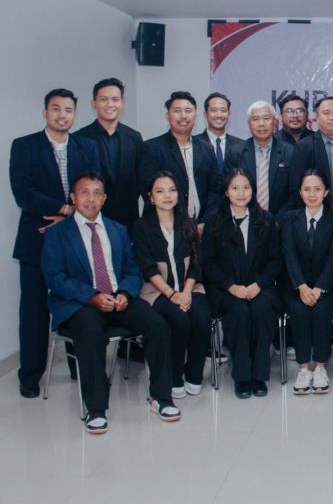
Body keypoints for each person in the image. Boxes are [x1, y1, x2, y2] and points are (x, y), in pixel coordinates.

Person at [41, 173, 179, 433]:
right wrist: (92, 296)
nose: (91, 199)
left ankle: (162, 397)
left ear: (104, 198)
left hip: (119, 299)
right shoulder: (58, 233)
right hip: (80, 304)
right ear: (73, 197)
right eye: (84, 192)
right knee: (91, 331)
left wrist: (125, 294)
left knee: (157, 324)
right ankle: (96, 409)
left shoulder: (117, 229)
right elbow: (56, 278)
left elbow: (131, 269)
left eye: (97, 193)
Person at [10, 88, 100, 398]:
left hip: (76, 240)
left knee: (78, 305)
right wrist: (64, 209)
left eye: (68, 110)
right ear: (45, 112)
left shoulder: (85, 147)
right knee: (33, 311)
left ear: (76, 114)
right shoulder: (24, 147)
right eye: (56, 109)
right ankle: (30, 376)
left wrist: (71, 217)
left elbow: (92, 189)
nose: (62, 115)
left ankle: (80, 368)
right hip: (37, 238)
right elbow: (24, 193)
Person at [201, 169, 282, 399]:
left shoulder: (265, 220)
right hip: (226, 289)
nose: (241, 193)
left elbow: (276, 261)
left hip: (260, 287)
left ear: (253, 190)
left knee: (261, 310)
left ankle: (259, 376)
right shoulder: (215, 222)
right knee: (239, 313)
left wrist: (259, 284)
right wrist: (230, 286)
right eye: (235, 188)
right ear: (226, 192)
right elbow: (209, 263)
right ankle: (242, 377)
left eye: (246, 187)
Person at [131, 171, 211, 398]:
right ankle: (174, 376)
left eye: (172, 190)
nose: (167, 195)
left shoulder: (188, 224)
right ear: (150, 197)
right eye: (160, 191)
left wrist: (185, 293)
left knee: (202, 316)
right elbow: (147, 268)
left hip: (190, 288)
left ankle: (194, 373)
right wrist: (171, 294)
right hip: (157, 291)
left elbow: (197, 263)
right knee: (178, 319)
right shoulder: (142, 227)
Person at [281, 169, 333, 395]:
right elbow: (288, 254)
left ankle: (320, 366)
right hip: (296, 286)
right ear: (300, 192)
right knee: (299, 312)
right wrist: (301, 286)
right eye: (307, 189)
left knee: (320, 312)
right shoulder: (290, 219)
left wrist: (318, 288)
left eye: (317, 189)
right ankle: (303, 368)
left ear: (326, 191)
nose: (312, 194)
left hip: (328, 287)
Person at [140, 91, 223, 224]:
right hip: (167, 226)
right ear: (168, 116)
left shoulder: (206, 148)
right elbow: (149, 191)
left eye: (188, 111)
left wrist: (206, 222)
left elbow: (215, 189)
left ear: (195, 116)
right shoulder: (152, 148)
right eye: (177, 111)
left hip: (203, 226)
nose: (183, 116)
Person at [74, 78, 144, 229]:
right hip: (92, 218)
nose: (110, 104)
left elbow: (140, 178)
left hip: (128, 219)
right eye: (103, 99)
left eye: (115, 99)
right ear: (94, 103)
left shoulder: (135, 137)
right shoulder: (79, 138)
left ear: (122, 103)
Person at [225, 101, 294, 216]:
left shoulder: (290, 152)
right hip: (244, 220)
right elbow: (228, 189)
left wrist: (278, 221)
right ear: (249, 123)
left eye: (266, 118)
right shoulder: (235, 153)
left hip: (280, 223)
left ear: (275, 122)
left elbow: (294, 192)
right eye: (255, 119)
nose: (261, 124)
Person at [194, 92, 242, 174]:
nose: (219, 115)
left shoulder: (240, 145)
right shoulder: (194, 144)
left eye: (223, 110)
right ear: (205, 114)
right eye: (214, 110)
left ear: (229, 114)